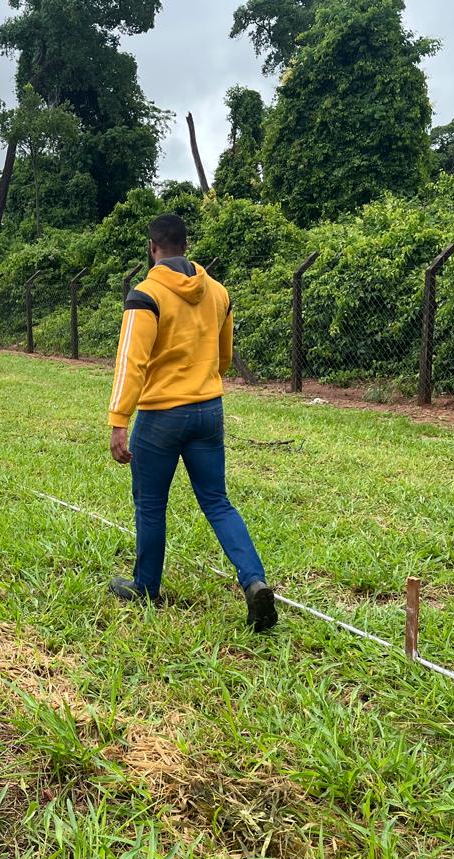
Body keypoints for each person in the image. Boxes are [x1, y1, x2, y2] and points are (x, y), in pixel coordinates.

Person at [106, 213, 277, 631]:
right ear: (186, 244)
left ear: (152, 248)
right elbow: (223, 355)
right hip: (208, 410)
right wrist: (202, 380)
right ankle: (254, 581)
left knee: (151, 504)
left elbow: (131, 362)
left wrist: (118, 419)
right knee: (217, 501)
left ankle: (146, 586)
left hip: (160, 416)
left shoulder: (144, 295)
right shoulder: (218, 292)